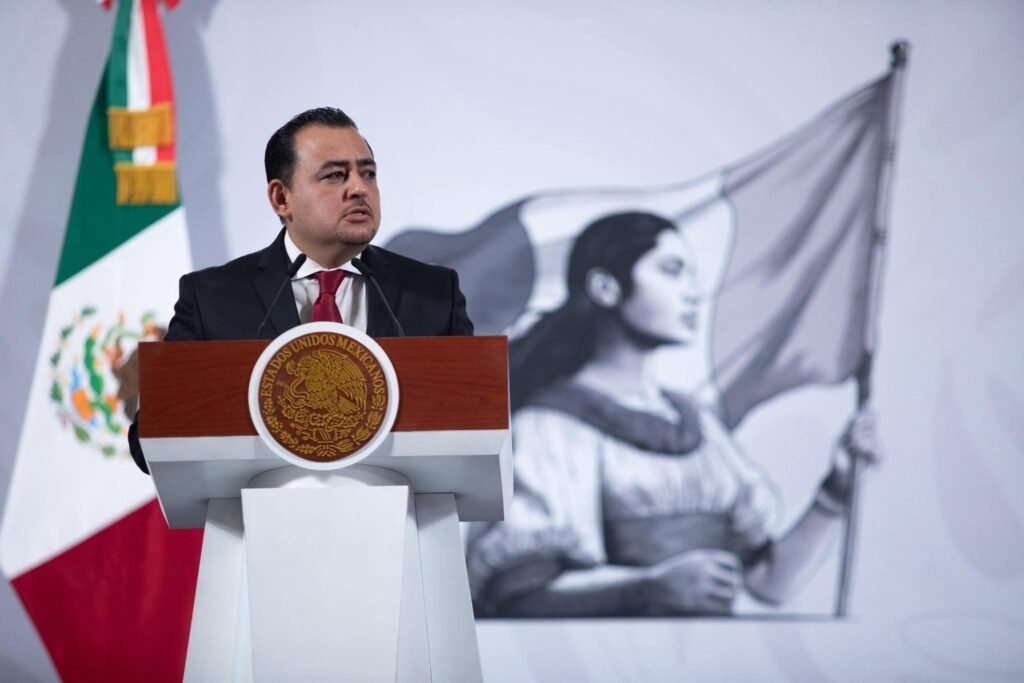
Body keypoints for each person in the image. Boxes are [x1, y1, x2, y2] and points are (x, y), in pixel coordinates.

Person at [464, 211, 876, 617]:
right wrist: (647, 587)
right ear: (606, 287)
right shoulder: (549, 427)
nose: (693, 293)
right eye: (672, 271)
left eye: (692, 275)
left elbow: (769, 583)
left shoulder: (698, 424)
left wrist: (835, 491)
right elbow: (519, 593)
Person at [129, 107, 473, 472]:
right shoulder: (212, 298)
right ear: (282, 199)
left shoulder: (434, 293)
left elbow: (475, 423)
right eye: (335, 175)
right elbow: (149, 441)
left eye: (368, 173)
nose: (359, 189)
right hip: (260, 504)